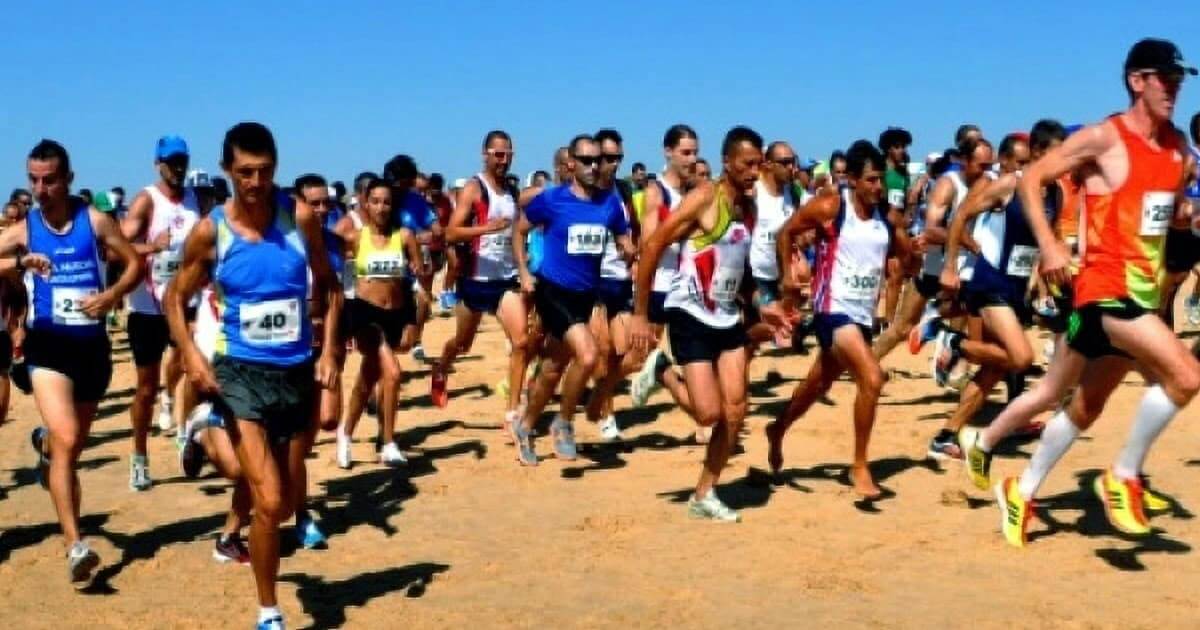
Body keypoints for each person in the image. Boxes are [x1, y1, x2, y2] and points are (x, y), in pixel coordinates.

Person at [960, 39, 1200, 548]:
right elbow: (1032, 180)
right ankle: (1124, 475)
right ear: (1137, 81)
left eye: (1180, 80)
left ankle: (1021, 489)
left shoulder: (1177, 147)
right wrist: (1049, 245)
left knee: (1084, 405)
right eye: (1165, 78)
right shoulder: (1103, 138)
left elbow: (1166, 212)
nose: (1175, 88)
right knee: (1186, 374)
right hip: (1103, 288)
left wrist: (1181, 218)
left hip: (1143, 292)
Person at [164, 122, 342, 629]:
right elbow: (175, 297)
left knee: (283, 504)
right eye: (245, 172)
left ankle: (206, 425)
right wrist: (193, 359)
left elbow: (329, 288)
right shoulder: (211, 230)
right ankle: (270, 612)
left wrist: (328, 350)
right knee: (266, 497)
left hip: (294, 372)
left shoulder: (299, 219)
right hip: (239, 370)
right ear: (227, 171)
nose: (256, 182)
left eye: (264, 171)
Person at [0, 139, 141, 585]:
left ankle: (44, 446)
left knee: (68, 447)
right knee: (69, 437)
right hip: (47, 349)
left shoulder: (95, 221)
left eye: (49, 179)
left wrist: (113, 295)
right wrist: (20, 261)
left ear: (69, 179)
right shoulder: (26, 229)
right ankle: (75, 544)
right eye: (33, 180)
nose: (40, 189)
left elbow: (134, 262)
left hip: (92, 350)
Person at [630, 126, 764, 520]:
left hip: (726, 316)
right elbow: (653, 245)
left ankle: (704, 493)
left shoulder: (749, 209)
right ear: (727, 163)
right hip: (689, 311)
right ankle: (664, 372)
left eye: (758, 165)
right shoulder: (706, 198)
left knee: (736, 411)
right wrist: (639, 313)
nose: (754, 172)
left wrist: (762, 304)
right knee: (708, 415)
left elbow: (741, 269)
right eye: (747, 165)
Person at [766, 140, 910, 499]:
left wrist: (911, 256)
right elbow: (786, 233)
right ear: (854, 181)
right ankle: (859, 466)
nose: (878, 188)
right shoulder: (833, 205)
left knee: (818, 385)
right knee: (873, 378)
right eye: (872, 180)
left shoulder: (885, 220)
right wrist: (788, 274)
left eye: (881, 181)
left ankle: (778, 427)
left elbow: (905, 256)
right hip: (831, 309)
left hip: (861, 316)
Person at [932, 124, 1065, 459]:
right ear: (1036, 153)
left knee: (994, 369)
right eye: (1055, 153)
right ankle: (952, 341)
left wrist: (1045, 285)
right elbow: (961, 214)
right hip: (989, 283)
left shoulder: (1057, 194)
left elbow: (1043, 244)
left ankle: (946, 435)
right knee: (1021, 359)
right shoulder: (1011, 184)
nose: (1062, 160)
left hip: (1016, 289)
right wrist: (949, 266)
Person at [512, 133, 633, 465]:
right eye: (587, 161)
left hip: (585, 294)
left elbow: (622, 235)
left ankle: (524, 426)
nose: (594, 166)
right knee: (589, 355)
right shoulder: (552, 200)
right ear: (571, 164)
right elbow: (519, 230)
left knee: (552, 369)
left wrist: (628, 249)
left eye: (598, 160)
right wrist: (523, 271)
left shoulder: (608, 202)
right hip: (553, 290)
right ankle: (563, 423)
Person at [432, 130, 531, 438]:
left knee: (522, 342)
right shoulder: (475, 189)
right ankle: (441, 367)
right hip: (475, 280)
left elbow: (516, 233)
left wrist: (523, 267)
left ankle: (512, 411)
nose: (504, 160)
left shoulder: (512, 192)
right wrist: (486, 229)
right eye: (498, 154)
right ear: (485, 154)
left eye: (508, 154)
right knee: (463, 344)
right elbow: (450, 233)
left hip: (504, 280)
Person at [120, 135, 201, 490]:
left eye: (182, 159)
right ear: (158, 164)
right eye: (170, 161)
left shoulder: (196, 200)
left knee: (192, 368)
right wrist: (153, 246)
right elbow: (116, 248)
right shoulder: (145, 200)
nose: (177, 166)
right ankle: (139, 456)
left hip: (186, 303)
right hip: (147, 307)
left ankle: (184, 434)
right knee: (146, 387)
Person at [335, 178, 423, 466]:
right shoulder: (356, 239)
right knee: (393, 374)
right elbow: (343, 279)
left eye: (386, 202)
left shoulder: (405, 236)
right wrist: (345, 321)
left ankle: (345, 434)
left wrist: (413, 319)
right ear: (366, 204)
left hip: (395, 314)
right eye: (375, 201)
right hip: (366, 314)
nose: (381, 207)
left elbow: (417, 277)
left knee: (367, 379)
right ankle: (388, 442)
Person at [628, 125, 699, 417]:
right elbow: (649, 242)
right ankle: (598, 403)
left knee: (697, 356)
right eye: (685, 152)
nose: (691, 158)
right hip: (660, 285)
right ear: (668, 152)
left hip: (688, 287)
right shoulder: (657, 192)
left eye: (695, 152)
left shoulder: (695, 191)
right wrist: (685, 230)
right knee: (633, 359)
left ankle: (703, 421)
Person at [582, 128, 637, 441]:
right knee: (603, 351)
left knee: (626, 353)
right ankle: (608, 415)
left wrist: (634, 254)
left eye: (618, 158)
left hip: (622, 278)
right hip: (593, 281)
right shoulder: (584, 193)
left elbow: (635, 230)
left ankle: (596, 395)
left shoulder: (624, 190)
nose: (613, 164)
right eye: (608, 158)